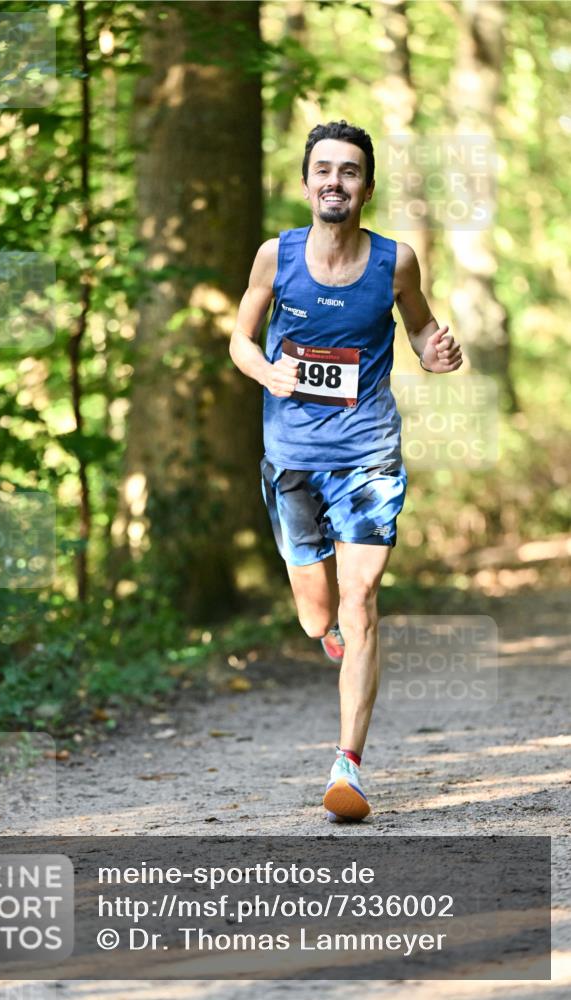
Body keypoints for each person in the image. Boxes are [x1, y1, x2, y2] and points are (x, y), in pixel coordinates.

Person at [229, 120, 463, 821]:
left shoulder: (395, 262)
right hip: (292, 457)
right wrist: (267, 370)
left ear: (365, 186)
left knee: (360, 602)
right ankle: (326, 629)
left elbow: (420, 326)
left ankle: (347, 768)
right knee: (316, 613)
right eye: (323, 169)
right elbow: (240, 339)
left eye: (349, 170)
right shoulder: (276, 256)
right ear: (306, 183)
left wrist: (434, 351)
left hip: (366, 453)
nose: (335, 180)